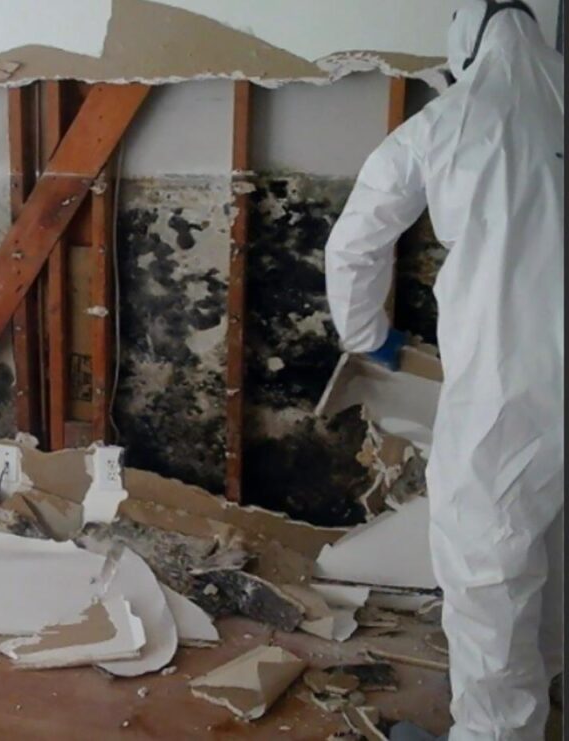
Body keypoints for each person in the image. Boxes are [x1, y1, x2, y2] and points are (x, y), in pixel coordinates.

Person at [324, 1, 564, 739]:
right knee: (556, 547)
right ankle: (549, 689)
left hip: (508, 382)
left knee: (489, 567)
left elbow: (355, 244)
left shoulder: (447, 121)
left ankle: (499, 731)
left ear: (465, 42)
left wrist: (371, 337)